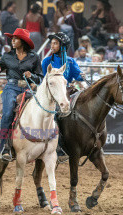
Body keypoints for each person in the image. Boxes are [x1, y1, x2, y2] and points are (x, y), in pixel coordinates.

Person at [0, 28, 42, 161]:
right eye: (12, 38)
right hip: (11, 88)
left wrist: (32, 75)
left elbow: (40, 78)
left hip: (28, 89)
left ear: (23, 41)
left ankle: (46, 145)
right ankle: (4, 148)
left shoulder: (34, 57)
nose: (12, 40)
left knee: (42, 111)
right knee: (7, 113)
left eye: (15, 38)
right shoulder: (7, 56)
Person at [41, 32, 85, 162]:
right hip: (52, 96)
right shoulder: (46, 62)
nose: (52, 45)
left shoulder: (71, 62)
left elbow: (77, 75)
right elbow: (44, 81)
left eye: (55, 43)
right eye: (51, 43)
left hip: (68, 92)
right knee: (56, 116)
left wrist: (81, 76)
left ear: (62, 46)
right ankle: (59, 147)